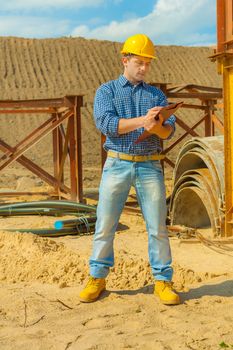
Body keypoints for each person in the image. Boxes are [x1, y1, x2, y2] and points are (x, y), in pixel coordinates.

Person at [79, 33, 180, 305]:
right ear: (125, 60)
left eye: (148, 63)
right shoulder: (107, 91)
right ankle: (97, 277)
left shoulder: (156, 94)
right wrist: (142, 122)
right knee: (105, 224)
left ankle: (163, 281)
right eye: (139, 62)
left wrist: (156, 126)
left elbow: (168, 131)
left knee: (157, 226)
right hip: (117, 163)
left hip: (149, 165)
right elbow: (106, 124)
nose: (144, 68)